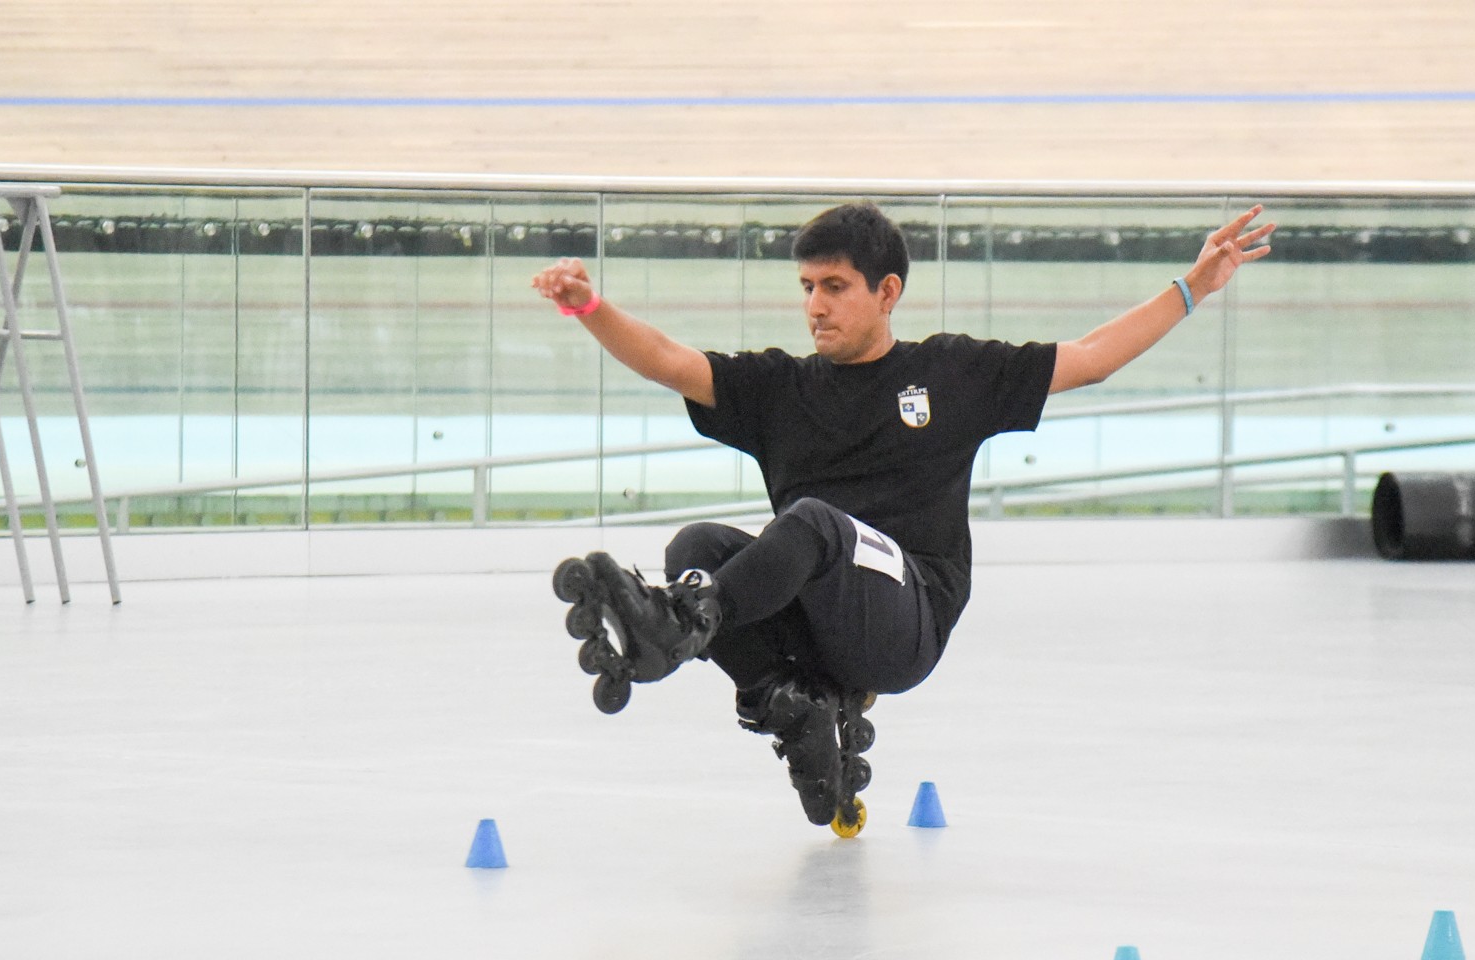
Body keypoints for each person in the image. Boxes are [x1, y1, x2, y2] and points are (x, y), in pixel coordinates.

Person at [536, 201, 1274, 828]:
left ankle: (679, 626)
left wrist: (1193, 287)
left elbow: (1090, 359)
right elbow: (670, 360)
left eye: (835, 286)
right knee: (698, 541)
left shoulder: (949, 372)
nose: (816, 305)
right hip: (814, 613)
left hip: (904, 621)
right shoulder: (780, 387)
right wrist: (588, 309)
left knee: (814, 523)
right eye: (806, 287)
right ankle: (792, 706)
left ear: (887, 292)